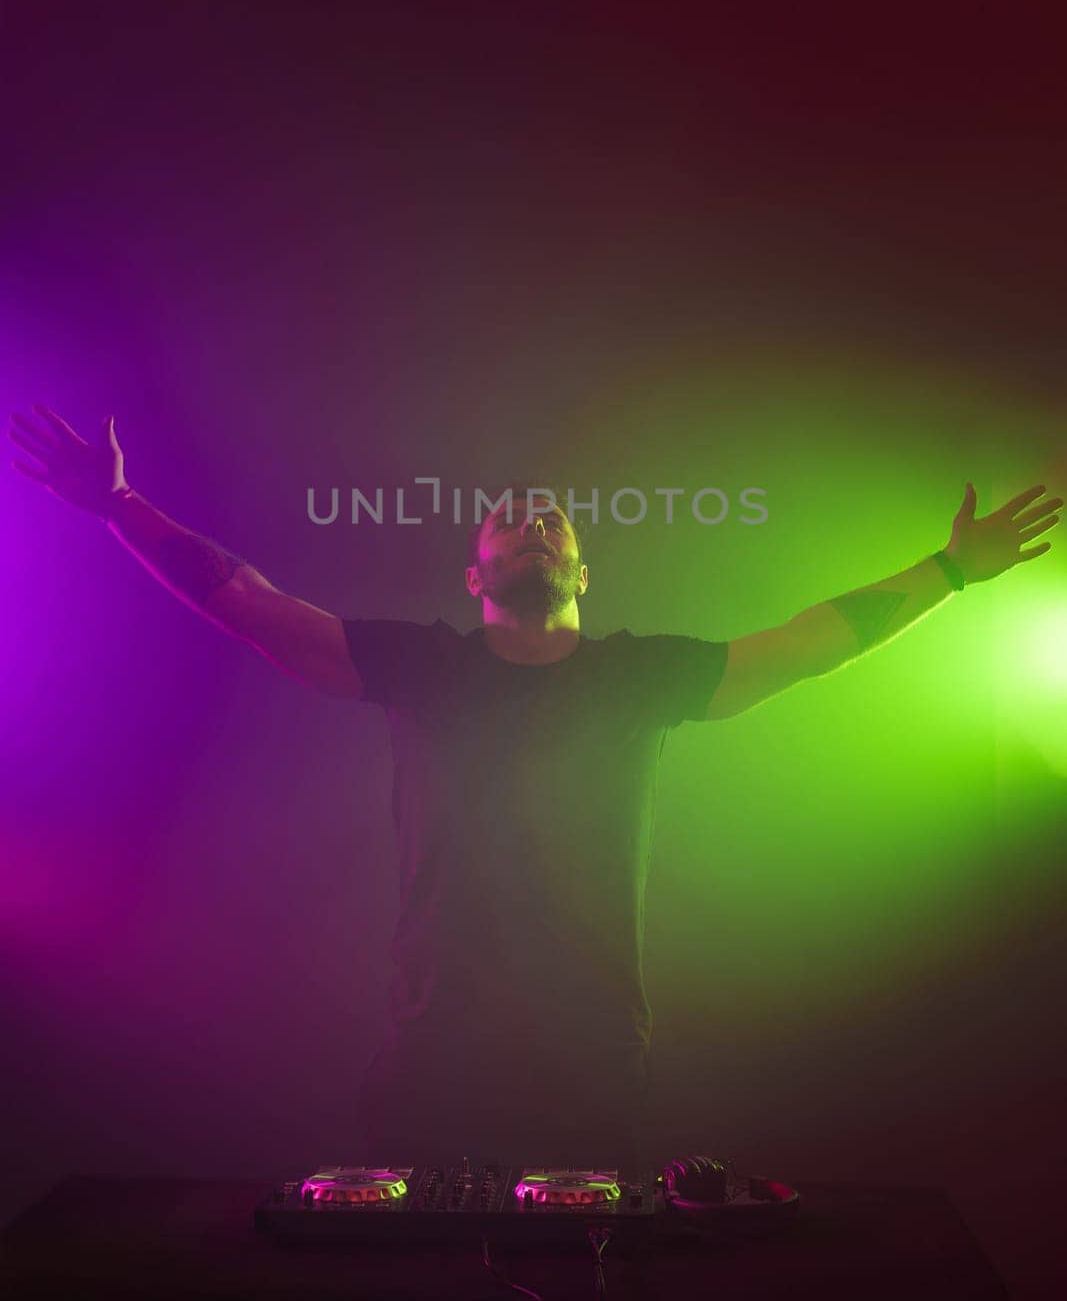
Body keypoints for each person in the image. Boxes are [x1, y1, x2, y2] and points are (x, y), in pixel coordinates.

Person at [8, 405, 1062, 1174]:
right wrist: (119, 508)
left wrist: (950, 572)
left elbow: (805, 645)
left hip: (593, 1056)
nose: (534, 527)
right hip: (432, 1051)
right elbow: (252, 603)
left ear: (583, 573)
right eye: (508, 524)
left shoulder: (638, 676)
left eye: (553, 523)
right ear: (474, 577)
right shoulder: (424, 666)